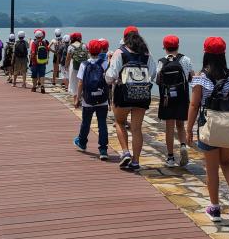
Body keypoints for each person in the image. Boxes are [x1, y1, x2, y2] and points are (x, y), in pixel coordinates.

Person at [186, 36, 229, 223]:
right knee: (227, 163)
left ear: (206, 54)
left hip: (208, 126)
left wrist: (188, 129)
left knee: (211, 169)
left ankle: (215, 209)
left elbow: (194, 105)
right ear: (223, 54)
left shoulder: (200, 78)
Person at [105, 27, 156, 171]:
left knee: (120, 122)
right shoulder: (147, 53)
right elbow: (153, 74)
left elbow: (110, 77)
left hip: (123, 94)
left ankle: (126, 152)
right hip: (142, 95)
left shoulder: (120, 52)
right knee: (136, 129)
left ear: (125, 37)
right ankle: (136, 161)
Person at [156, 35, 194, 167]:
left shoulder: (162, 62)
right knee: (180, 125)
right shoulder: (186, 59)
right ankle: (183, 145)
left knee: (169, 127)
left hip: (167, 98)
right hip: (182, 97)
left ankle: (171, 158)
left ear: (165, 47)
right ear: (178, 46)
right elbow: (192, 77)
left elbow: (158, 80)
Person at [73, 39, 111, 161]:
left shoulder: (84, 64)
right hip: (102, 99)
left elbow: (80, 83)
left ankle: (82, 142)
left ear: (88, 50)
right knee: (102, 124)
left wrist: (77, 98)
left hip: (88, 100)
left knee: (86, 122)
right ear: (100, 51)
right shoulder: (104, 63)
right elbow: (109, 80)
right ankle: (103, 150)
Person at [66, 33, 88, 99]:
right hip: (83, 66)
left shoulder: (70, 46)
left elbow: (68, 58)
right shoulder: (84, 45)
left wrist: (66, 66)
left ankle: (75, 99)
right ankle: (81, 97)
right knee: (82, 80)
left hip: (74, 66)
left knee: (73, 82)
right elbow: (87, 56)